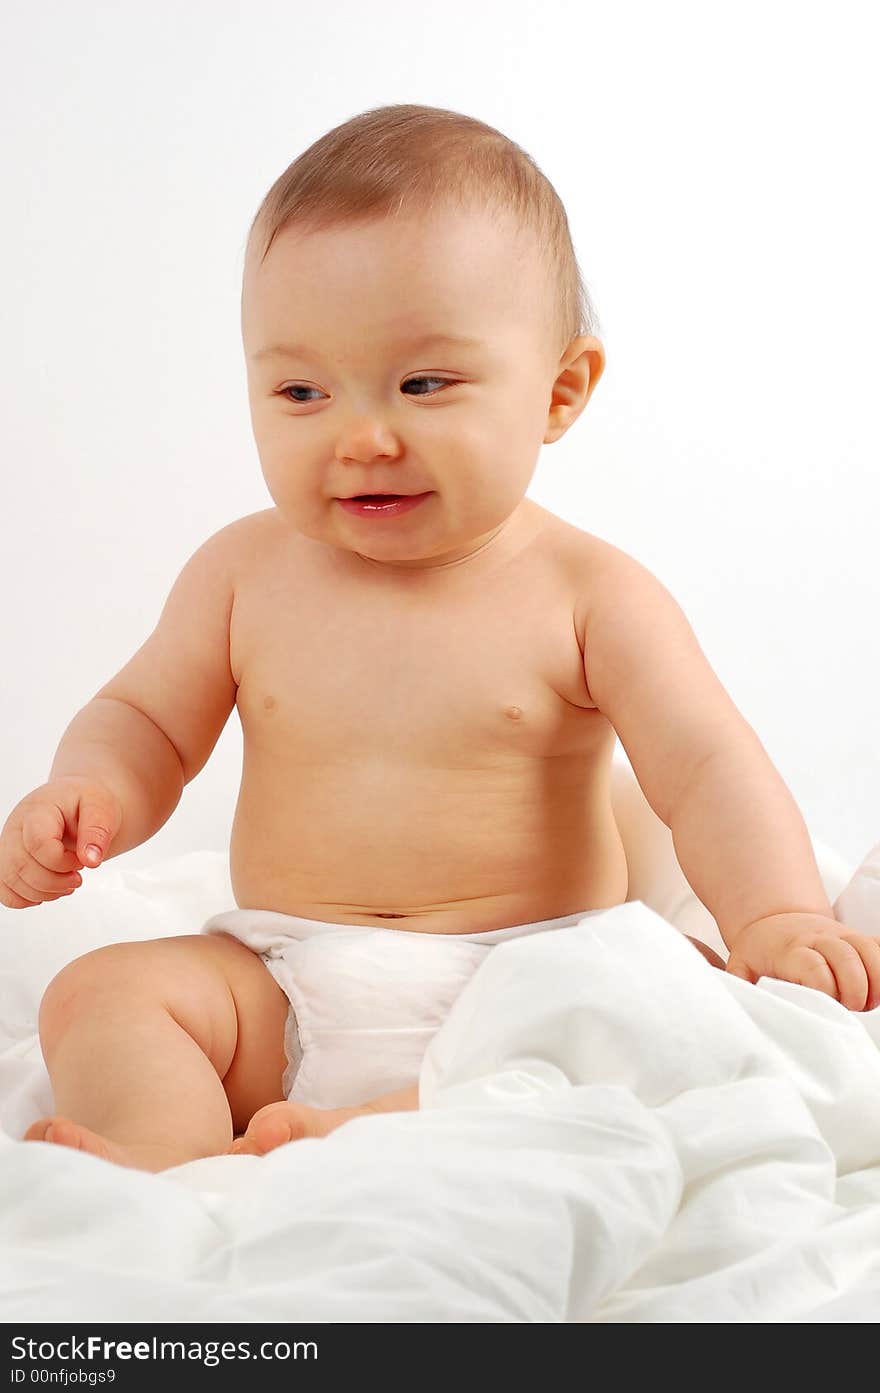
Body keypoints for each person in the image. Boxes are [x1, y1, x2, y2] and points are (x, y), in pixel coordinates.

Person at [3, 105, 878, 1174]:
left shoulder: (589, 592)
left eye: (424, 383)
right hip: (285, 973)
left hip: (521, 974)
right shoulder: (242, 573)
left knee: (670, 1006)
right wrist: (89, 792)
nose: (362, 436)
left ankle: (373, 1128)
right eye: (300, 391)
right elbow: (145, 718)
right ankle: (169, 1156)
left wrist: (779, 913)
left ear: (558, 391)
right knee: (105, 990)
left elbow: (703, 767)